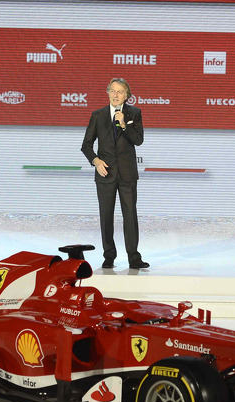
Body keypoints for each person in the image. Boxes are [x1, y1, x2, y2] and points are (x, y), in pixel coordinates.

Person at [81, 78, 149, 270]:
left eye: (120, 92)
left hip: (127, 174)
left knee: (130, 215)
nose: (116, 95)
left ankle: (134, 258)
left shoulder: (134, 113)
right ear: (108, 92)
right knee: (106, 216)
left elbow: (138, 140)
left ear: (126, 96)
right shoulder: (98, 115)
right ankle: (109, 256)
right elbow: (86, 145)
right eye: (112, 91)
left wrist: (124, 125)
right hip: (105, 174)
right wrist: (96, 160)